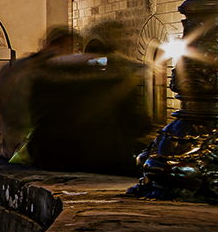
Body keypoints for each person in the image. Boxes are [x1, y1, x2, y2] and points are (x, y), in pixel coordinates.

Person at [20, 22, 153, 175]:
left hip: (48, 156)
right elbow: (136, 124)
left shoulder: (42, 78)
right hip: (99, 159)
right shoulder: (115, 81)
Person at [0, 26, 77, 159]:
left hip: (20, 141)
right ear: (52, 46)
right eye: (68, 47)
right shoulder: (34, 70)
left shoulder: (21, 67)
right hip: (26, 145)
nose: (71, 52)